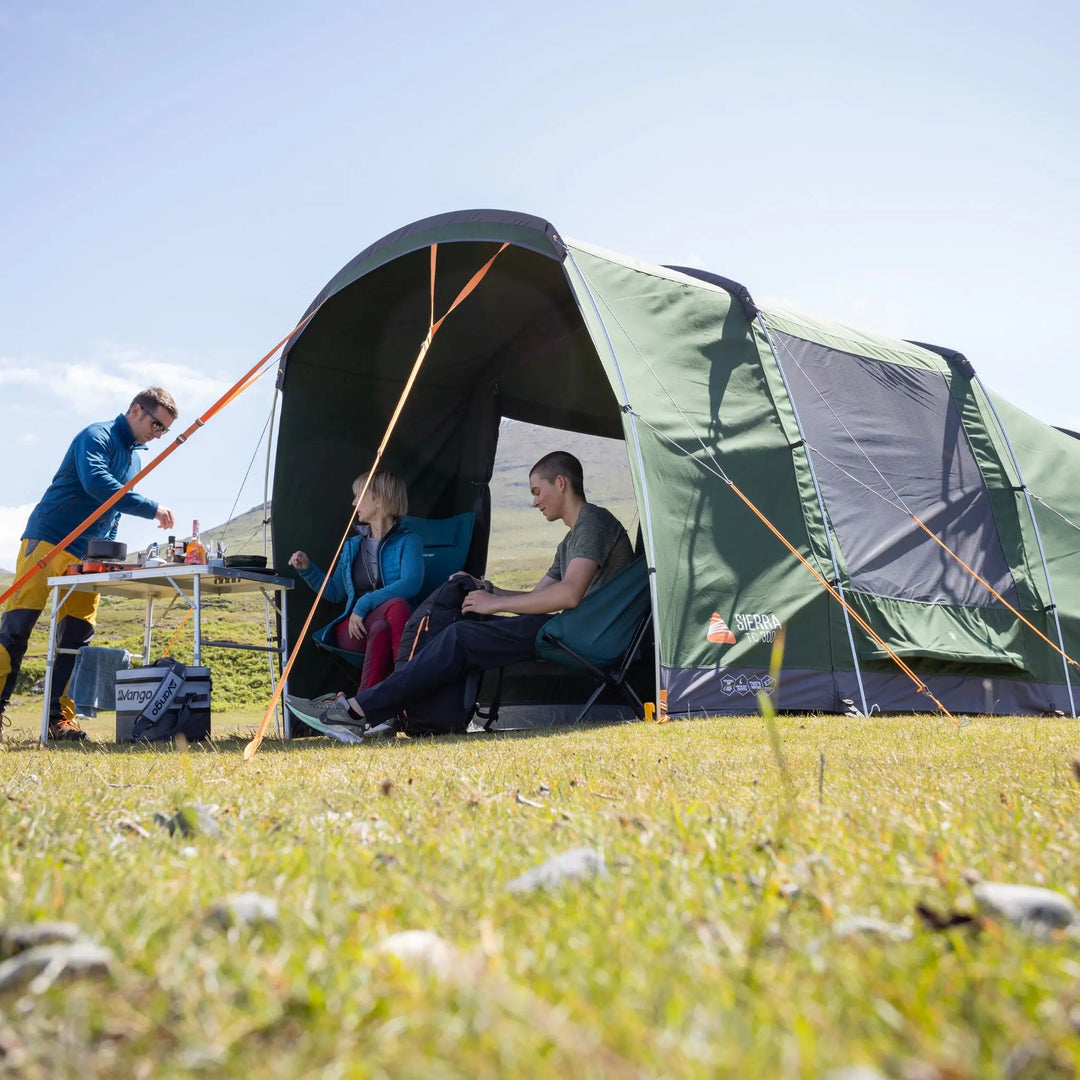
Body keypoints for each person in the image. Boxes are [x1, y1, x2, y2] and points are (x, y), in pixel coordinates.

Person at [287, 450, 634, 741]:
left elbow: (569, 595)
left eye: (537, 491)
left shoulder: (593, 523)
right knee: (463, 627)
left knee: (460, 637)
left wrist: (495, 603)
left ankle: (357, 710)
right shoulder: (570, 541)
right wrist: (488, 589)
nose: (534, 502)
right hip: (567, 630)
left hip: (585, 636)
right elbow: (539, 595)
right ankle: (379, 711)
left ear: (561, 483)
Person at [0, 388, 177, 741]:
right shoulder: (96, 435)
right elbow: (97, 484)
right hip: (48, 541)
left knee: (76, 638)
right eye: (156, 424)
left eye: (165, 431)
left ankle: (58, 719)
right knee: (16, 629)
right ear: (136, 410)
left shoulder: (135, 460)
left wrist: (103, 553)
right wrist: (151, 507)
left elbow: (111, 511)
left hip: (86, 559)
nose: (157, 435)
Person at [288, 470, 424, 696]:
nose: (353, 503)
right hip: (355, 629)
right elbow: (336, 593)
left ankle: (366, 710)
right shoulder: (352, 546)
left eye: (359, 495)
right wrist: (308, 570)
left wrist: (364, 604)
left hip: (389, 625)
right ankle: (409, 688)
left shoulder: (410, 541)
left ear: (379, 500)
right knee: (395, 607)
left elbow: (411, 584)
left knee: (387, 619)